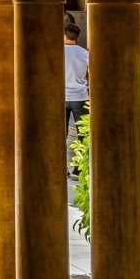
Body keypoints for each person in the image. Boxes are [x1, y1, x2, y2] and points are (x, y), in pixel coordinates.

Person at [63, 22, 90, 176]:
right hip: (81, 96)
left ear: (64, 35)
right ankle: (79, 168)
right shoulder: (84, 53)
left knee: (62, 133)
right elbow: (89, 76)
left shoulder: (58, 52)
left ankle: (62, 167)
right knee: (83, 133)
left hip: (62, 96)